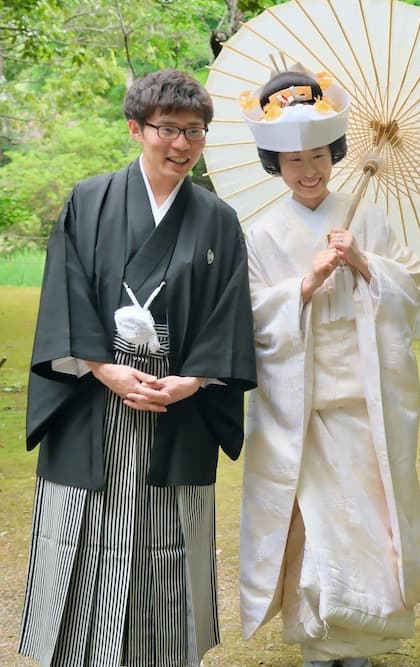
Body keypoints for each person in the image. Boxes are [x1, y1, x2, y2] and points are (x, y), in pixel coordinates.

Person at [19, 69, 257, 667]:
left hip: (180, 402)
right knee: (84, 536)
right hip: (94, 400)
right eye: (168, 131)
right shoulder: (89, 200)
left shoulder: (218, 220)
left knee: (168, 543)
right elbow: (63, 295)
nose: (182, 145)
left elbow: (229, 310)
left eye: (195, 132)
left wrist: (195, 379)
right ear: (136, 128)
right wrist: (103, 367)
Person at [238, 67, 420, 667]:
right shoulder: (262, 234)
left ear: (336, 153)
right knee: (316, 524)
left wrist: (367, 263)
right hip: (298, 404)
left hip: (361, 399)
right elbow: (249, 314)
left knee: (368, 522)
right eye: (292, 159)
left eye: (319, 155)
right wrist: (305, 283)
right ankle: (317, 639)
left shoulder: (368, 220)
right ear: (274, 162)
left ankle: (362, 639)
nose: (308, 170)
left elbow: (411, 286)